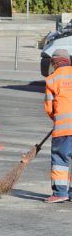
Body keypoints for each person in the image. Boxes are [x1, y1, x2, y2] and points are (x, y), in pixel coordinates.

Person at [44, 48, 72, 204]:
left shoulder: (52, 79)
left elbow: (49, 108)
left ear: (54, 62)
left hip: (63, 129)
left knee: (60, 160)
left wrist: (57, 120)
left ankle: (60, 193)